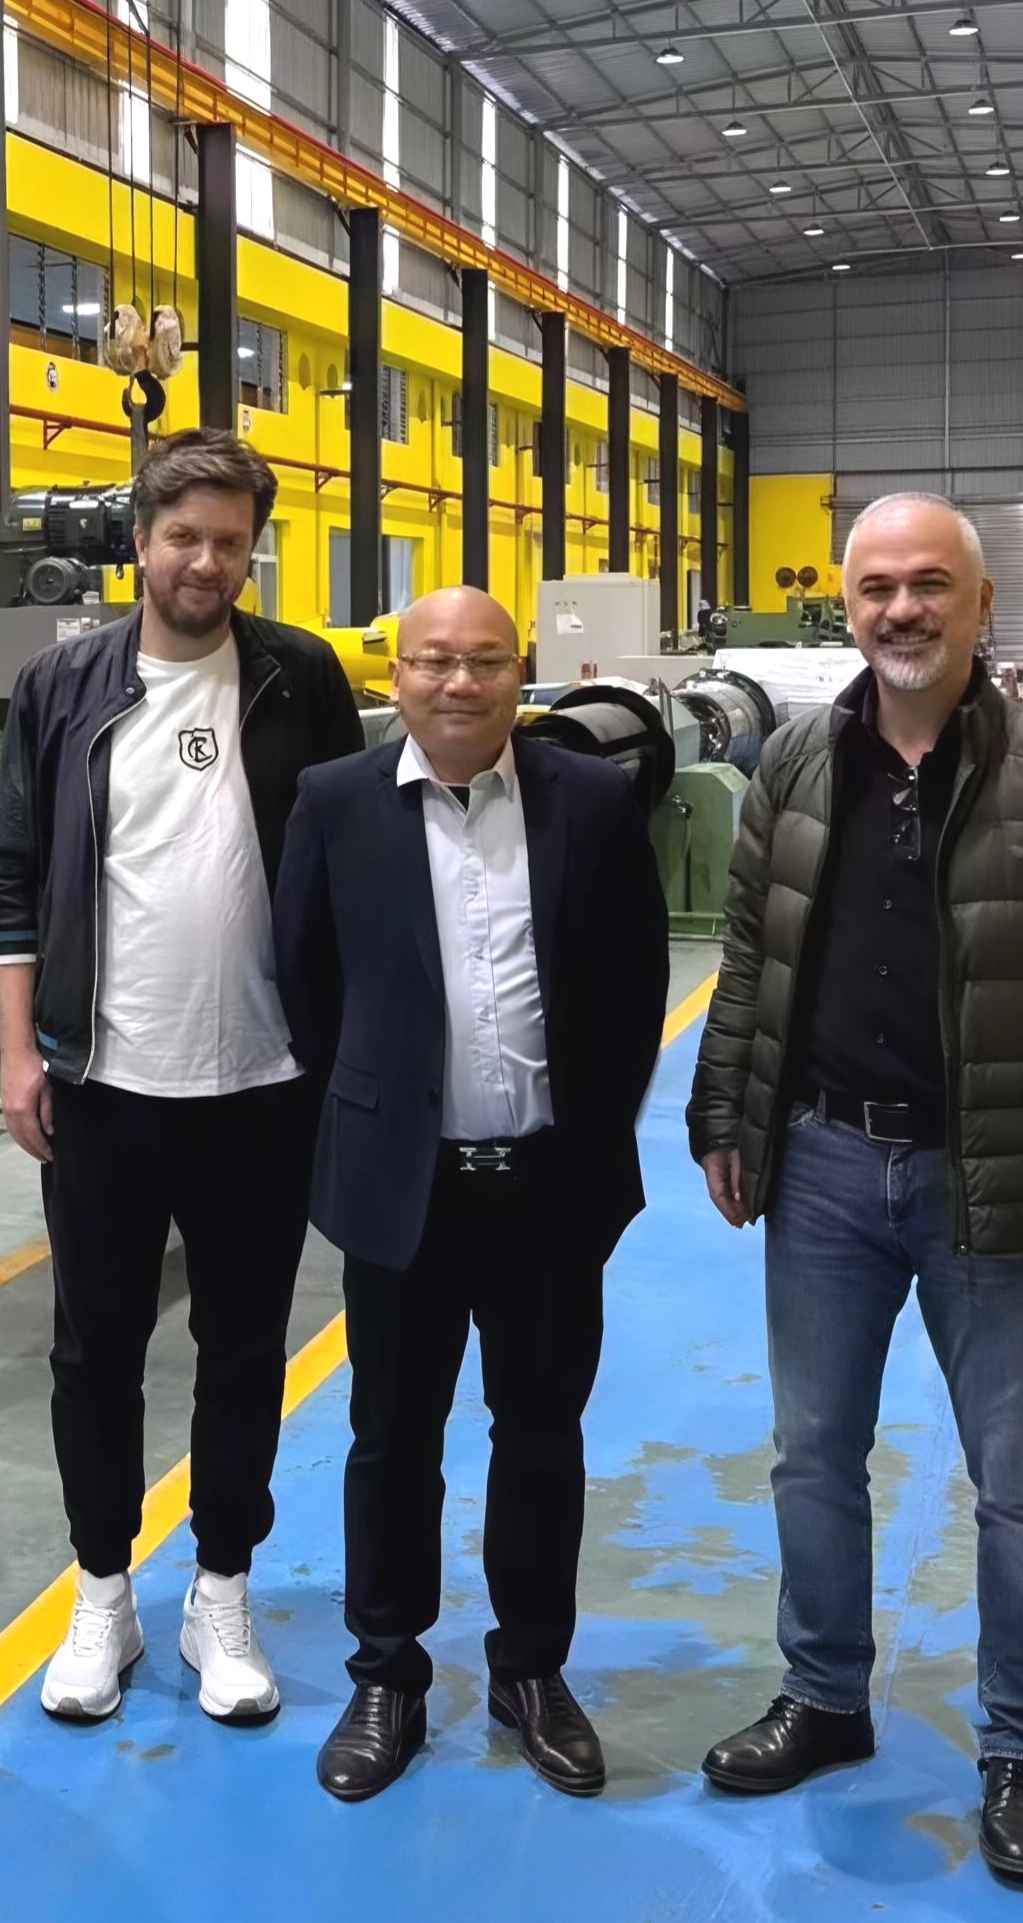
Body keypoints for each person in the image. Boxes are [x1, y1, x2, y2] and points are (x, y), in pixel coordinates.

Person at [686, 493, 1023, 1884]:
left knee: (1021, 1484)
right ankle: (825, 1697)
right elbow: (751, 953)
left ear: (982, 606)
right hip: (823, 1165)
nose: (900, 609)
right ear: (849, 605)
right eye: (877, 587)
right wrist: (724, 1109)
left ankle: (1020, 1749)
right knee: (812, 1453)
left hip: (998, 1170)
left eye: (929, 585)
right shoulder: (795, 763)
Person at [0, 429, 364, 1724]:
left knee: (244, 1350)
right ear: (140, 542)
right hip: (103, 1083)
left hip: (263, 1083)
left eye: (229, 540)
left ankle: (221, 1590)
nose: (205, 561)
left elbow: (346, 858)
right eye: (183, 536)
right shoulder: (64, 684)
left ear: (253, 549)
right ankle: (102, 1592)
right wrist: (21, 1050)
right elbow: (14, 874)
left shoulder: (300, 677)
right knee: (94, 1352)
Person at [272, 587, 668, 1803]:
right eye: (435, 661)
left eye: (486, 661)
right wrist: (374, 1119)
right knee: (392, 1438)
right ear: (395, 674)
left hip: (547, 1186)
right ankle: (387, 1671)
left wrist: (590, 1137)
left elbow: (634, 982)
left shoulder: (590, 799)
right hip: (406, 1191)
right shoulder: (335, 801)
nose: (459, 683)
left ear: (520, 674)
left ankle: (530, 1668)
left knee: (540, 1434)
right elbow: (304, 981)